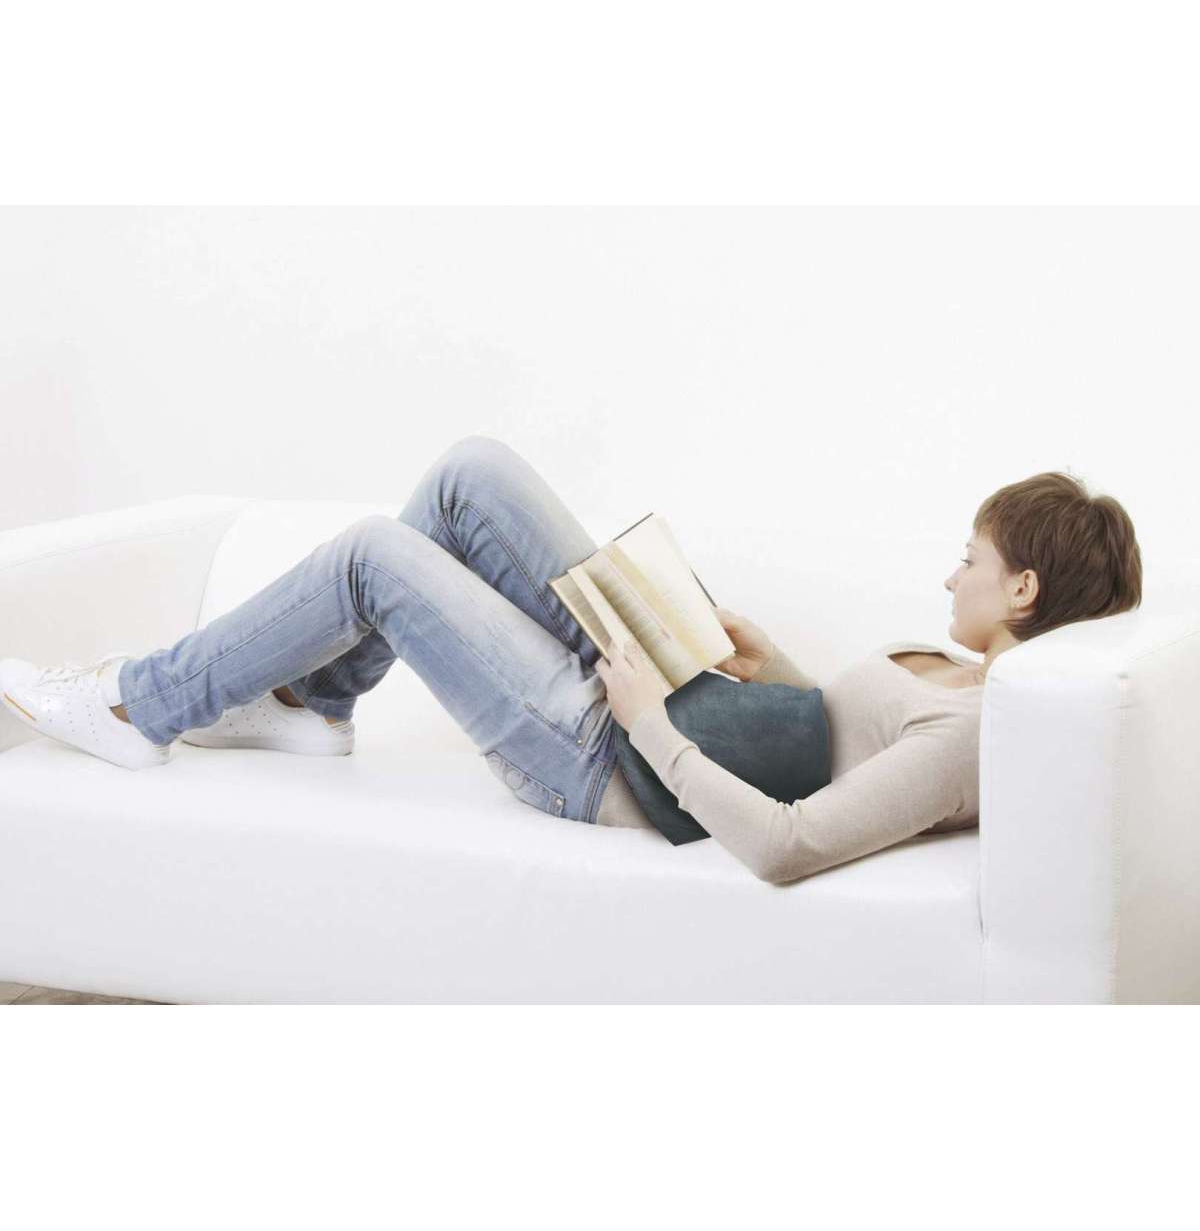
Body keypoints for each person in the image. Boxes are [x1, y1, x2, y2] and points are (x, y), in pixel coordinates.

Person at [0, 439, 1143, 882]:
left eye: (971, 560)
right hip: (689, 703)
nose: (950, 577)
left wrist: (643, 716)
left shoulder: (975, 731)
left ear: (1023, 591)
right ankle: (318, 701)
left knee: (372, 556)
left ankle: (134, 705)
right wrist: (768, 663)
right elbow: (830, 739)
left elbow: (791, 841)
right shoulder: (954, 671)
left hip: (607, 760)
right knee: (471, 476)